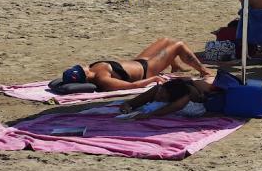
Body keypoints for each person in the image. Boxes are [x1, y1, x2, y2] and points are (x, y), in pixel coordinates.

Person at [57, 38, 210, 92]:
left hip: (139, 61)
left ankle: (175, 66)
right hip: (147, 70)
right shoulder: (102, 78)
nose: (83, 65)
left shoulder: (93, 68)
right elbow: (132, 86)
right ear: (84, 75)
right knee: (178, 45)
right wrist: (152, 79)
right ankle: (204, 71)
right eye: (80, 68)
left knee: (166, 40)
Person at [117, 77, 221, 120]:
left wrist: (148, 115)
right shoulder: (159, 89)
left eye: (162, 97)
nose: (158, 97)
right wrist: (126, 108)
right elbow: (130, 103)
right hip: (185, 84)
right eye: (160, 93)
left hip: (203, 92)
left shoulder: (186, 95)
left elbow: (175, 106)